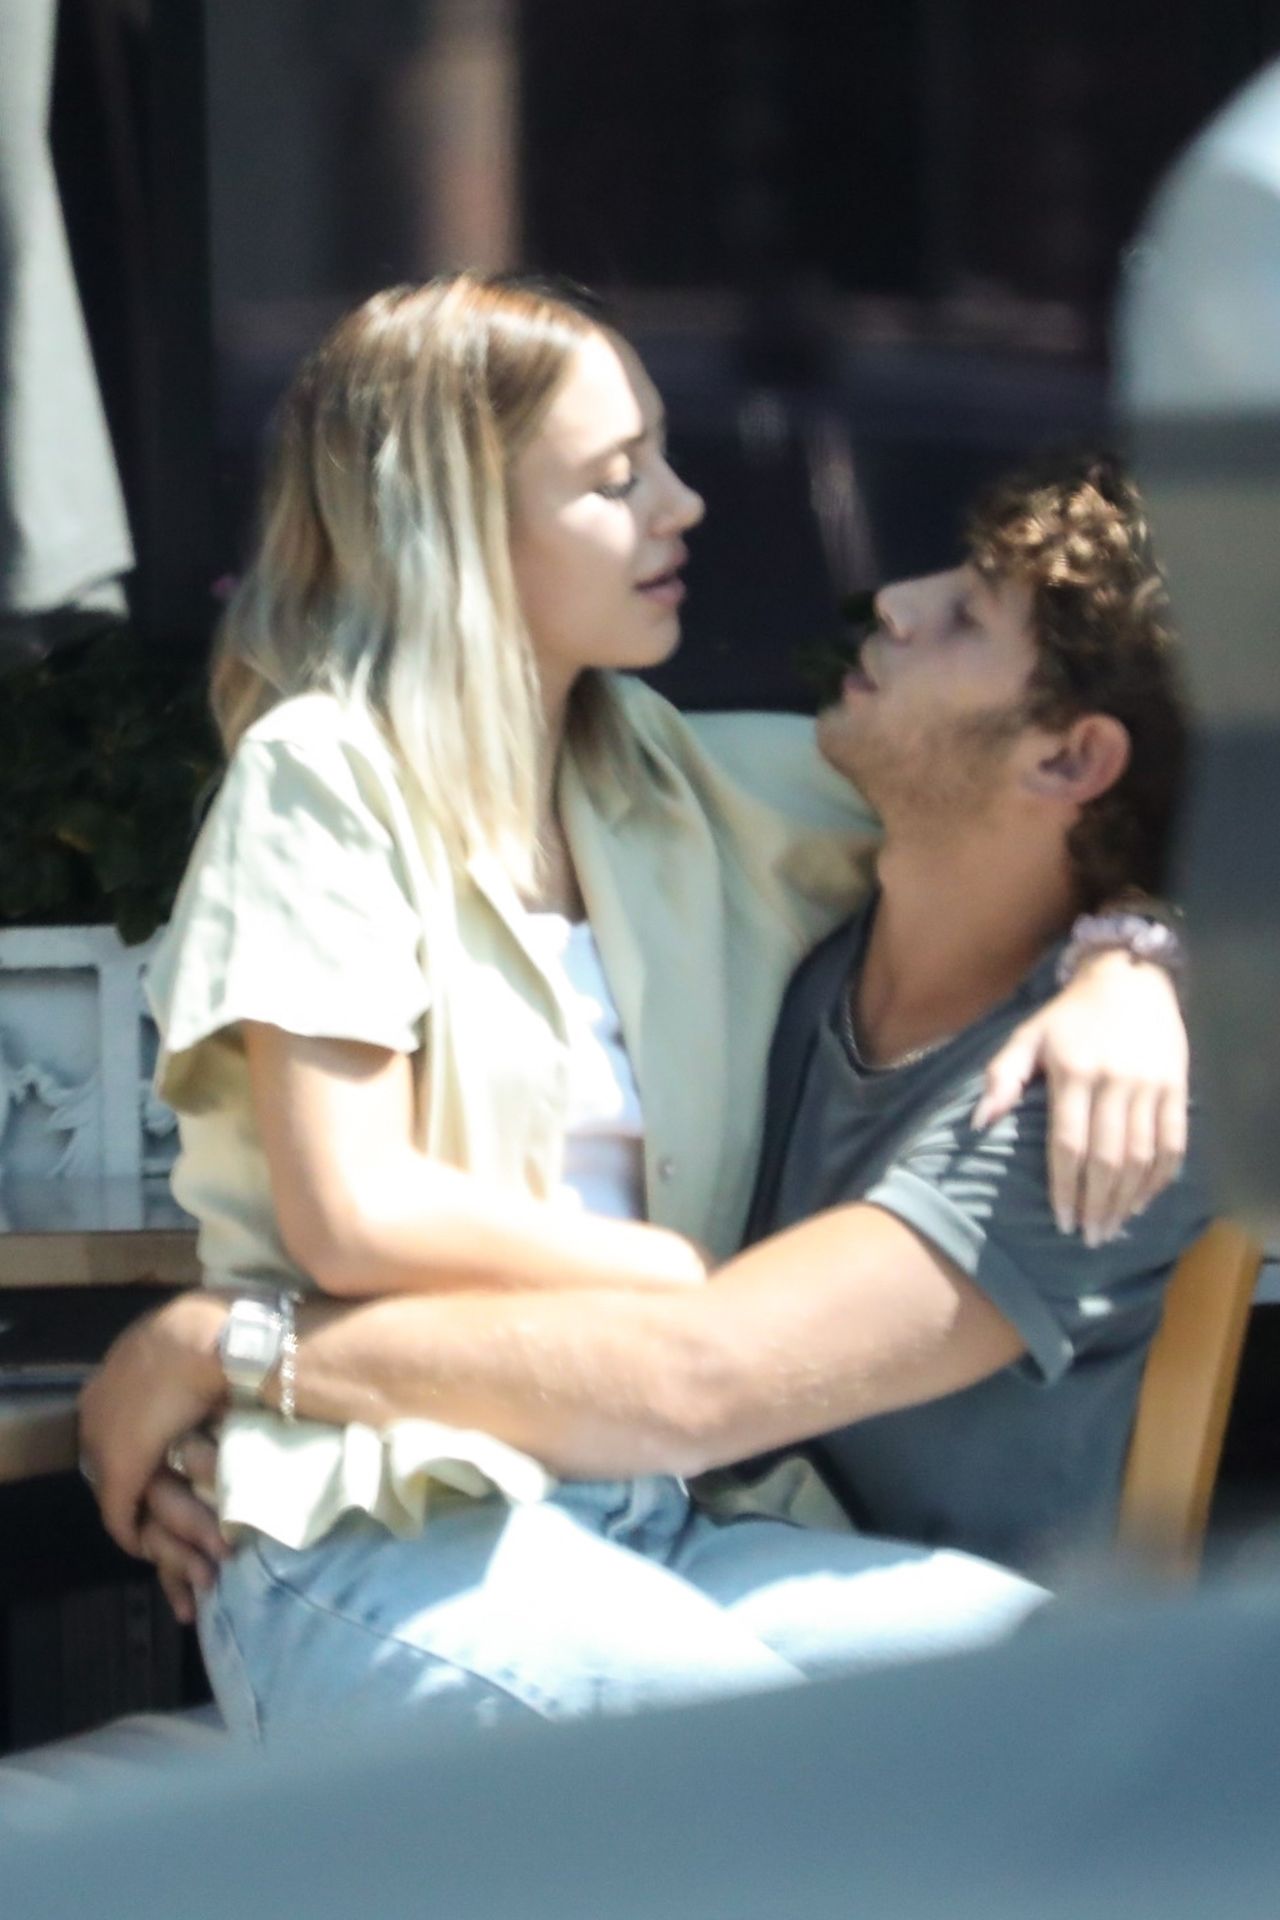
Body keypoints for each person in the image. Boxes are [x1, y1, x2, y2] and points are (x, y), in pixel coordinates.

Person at [79, 278, 1189, 1744]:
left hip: (653, 1513)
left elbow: (1039, 816)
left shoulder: (675, 779)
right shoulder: (324, 776)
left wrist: (1134, 955)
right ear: (462, 532)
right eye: (619, 479)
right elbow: (351, 1215)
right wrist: (664, 1276)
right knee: (727, 1757)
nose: (685, 504)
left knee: (1079, 1698)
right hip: (382, 1511)